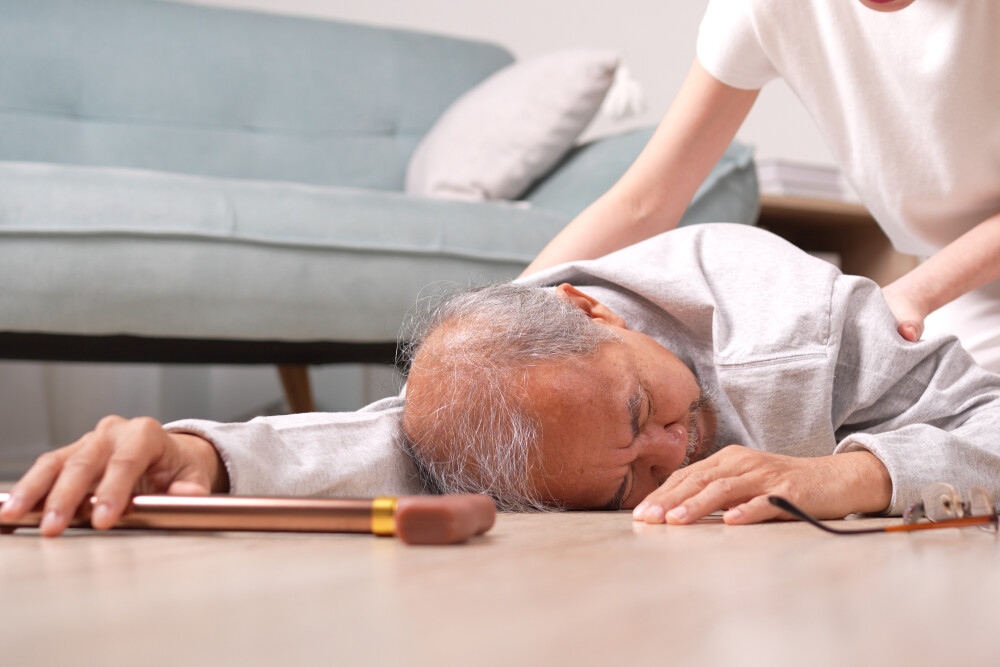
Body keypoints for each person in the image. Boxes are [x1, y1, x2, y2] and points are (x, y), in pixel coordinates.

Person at [3, 224, 999, 536]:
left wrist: (852, 472)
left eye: (639, 409)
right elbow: (391, 438)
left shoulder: (793, 322)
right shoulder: (515, 390)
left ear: (596, 314)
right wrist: (192, 453)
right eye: (624, 485)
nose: (673, 448)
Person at [522, 0, 1000, 373]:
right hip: (966, 290)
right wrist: (498, 323)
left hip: (946, 282)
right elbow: (645, 201)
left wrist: (914, 294)